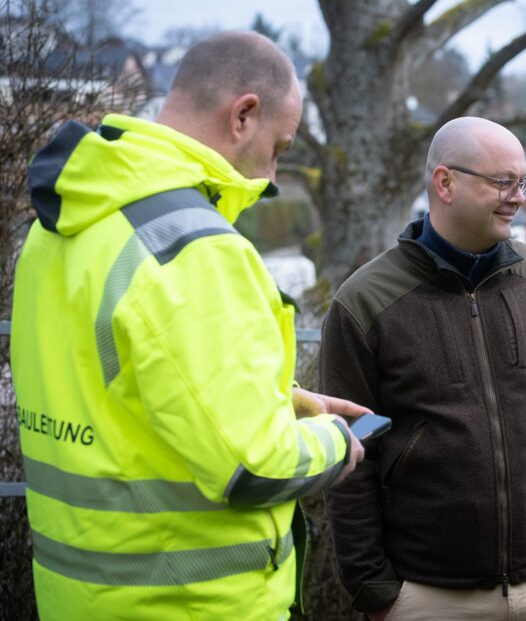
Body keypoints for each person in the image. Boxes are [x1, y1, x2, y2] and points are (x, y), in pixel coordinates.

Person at [11, 31, 367, 620]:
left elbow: (120, 389)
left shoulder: (60, 224)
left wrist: (284, 401)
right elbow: (254, 465)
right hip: (193, 601)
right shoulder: (190, 248)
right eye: (279, 147)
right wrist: (334, 442)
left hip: (77, 594)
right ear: (243, 115)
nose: (274, 174)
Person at [320, 116, 526, 620]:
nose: (518, 196)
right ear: (445, 183)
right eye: (502, 181)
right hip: (430, 598)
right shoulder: (364, 303)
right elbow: (353, 458)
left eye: (523, 181)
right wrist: (374, 588)